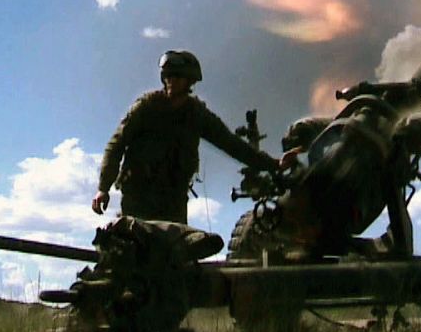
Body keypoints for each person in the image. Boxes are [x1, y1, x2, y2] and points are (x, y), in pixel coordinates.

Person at [93, 50, 284, 224]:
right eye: (168, 76)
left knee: (174, 252)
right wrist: (103, 188)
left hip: (173, 198)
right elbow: (116, 145)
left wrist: (274, 164)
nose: (171, 80)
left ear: (190, 81)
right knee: (133, 248)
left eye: (177, 76)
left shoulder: (196, 114)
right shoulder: (147, 107)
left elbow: (231, 144)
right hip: (139, 194)